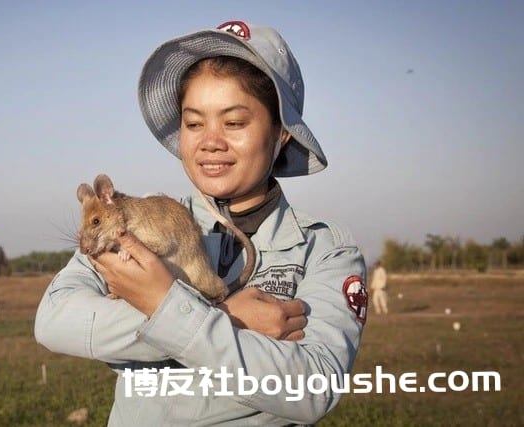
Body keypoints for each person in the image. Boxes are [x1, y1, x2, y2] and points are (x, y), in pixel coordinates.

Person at [35, 20, 368, 426]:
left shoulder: (326, 250)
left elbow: (313, 387)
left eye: (234, 122)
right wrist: (225, 318)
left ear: (281, 134)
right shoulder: (131, 228)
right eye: (194, 123)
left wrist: (162, 310)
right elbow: (55, 322)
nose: (210, 141)